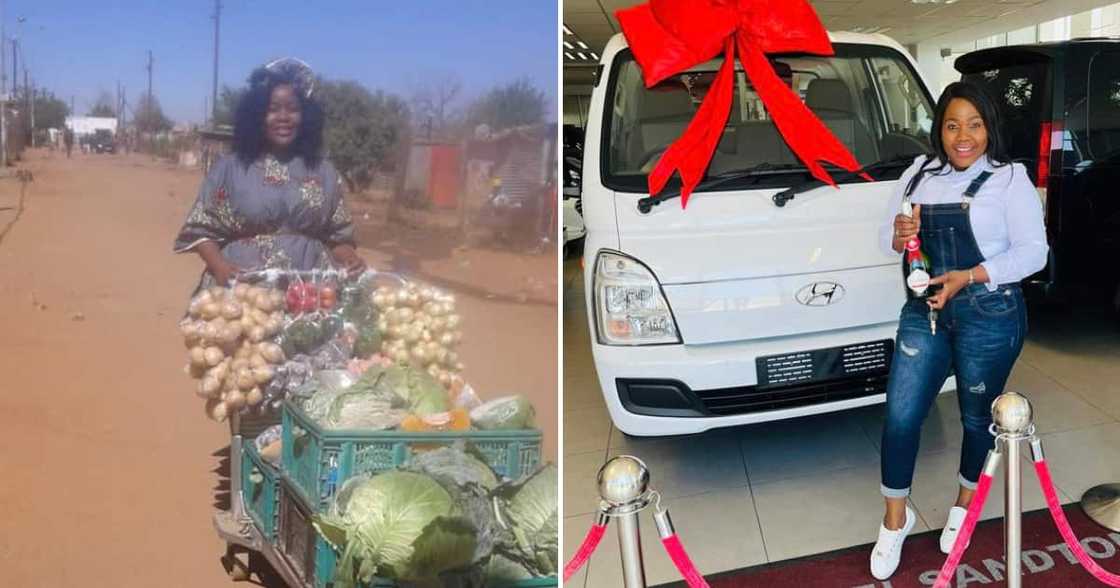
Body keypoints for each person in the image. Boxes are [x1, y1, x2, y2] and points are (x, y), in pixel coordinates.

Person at [869, 81, 1048, 580]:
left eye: (974, 124)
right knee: (901, 416)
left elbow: (1034, 253)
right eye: (952, 125)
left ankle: (965, 504)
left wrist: (969, 276)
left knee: (976, 420)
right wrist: (898, 235)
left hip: (989, 312)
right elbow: (888, 241)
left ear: (989, 127)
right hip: (926, 310)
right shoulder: (918, 174)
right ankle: (894, 520)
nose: (962, 136)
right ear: (939, 130)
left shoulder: (1009, 178)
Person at [173, 58, 366, 294]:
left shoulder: (324, 171)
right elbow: (201, 230)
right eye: (273, 109)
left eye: (293, 109)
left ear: (306, 116)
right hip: (244, 293)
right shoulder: (231, 168)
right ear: (256, 116)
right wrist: (220, 267)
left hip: (309, 294)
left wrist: (349, 258)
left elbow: (337, 238)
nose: (283, 117)